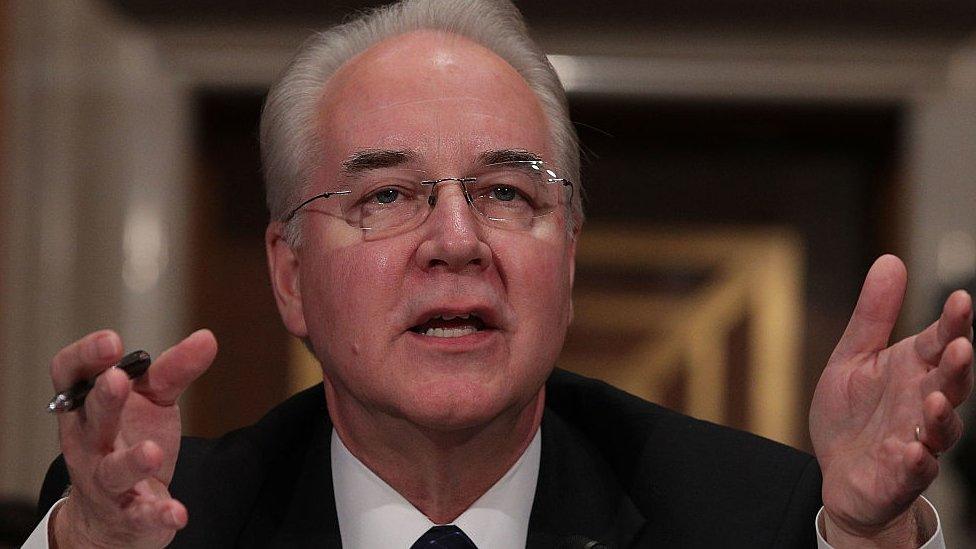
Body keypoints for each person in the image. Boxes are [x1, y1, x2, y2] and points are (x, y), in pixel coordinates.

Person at [25, 0, 974, 547]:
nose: (456, 239)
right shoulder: (165, 524)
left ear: (568, 253)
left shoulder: (754, 519)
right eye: (388, 196)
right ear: (290, 274)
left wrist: (861, 542)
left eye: (507, 194)